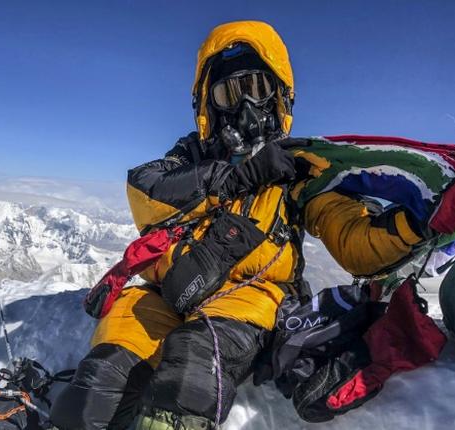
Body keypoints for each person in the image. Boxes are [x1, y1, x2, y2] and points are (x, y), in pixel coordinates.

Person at [49, 20, 303, 429]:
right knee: (92, 393)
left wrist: (407, 225)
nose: (245, 107)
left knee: (188, 384)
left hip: (245, 298)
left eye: (256, 88)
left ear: (279, 95)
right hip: (166, 289)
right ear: (209, 104)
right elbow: (146, 188)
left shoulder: (298, 167)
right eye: (228, 93)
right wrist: (234, 177)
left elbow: (352, 235)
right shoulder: (192, 154)